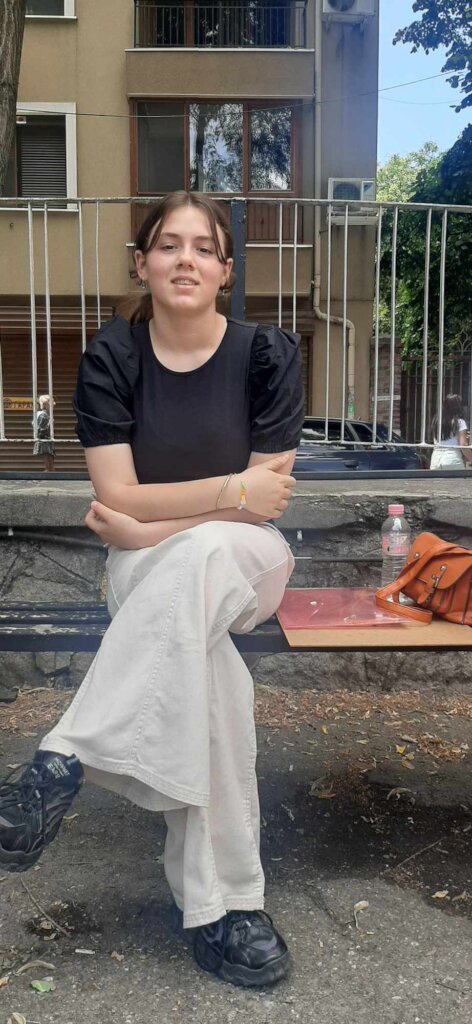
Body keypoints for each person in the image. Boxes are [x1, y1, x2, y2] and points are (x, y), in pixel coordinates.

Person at [0, 192, 304, 988]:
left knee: (202, 552)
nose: (185, 260)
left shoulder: (267, 355)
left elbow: (263, 505)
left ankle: (66, 756)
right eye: (169, 245)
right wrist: (223, 493)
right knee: (213, 678)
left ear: (226, 270)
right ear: (142, 263)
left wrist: (148, 524)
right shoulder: (113, 357)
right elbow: (118, 494)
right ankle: (226, 909)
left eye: (203, 247)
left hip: (245, 563)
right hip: (149, 572)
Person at [430, 394, 472, 469]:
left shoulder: (436, 422)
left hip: (435, 459)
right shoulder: (460, 422)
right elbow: (463, 445)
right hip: (452, 459)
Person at [33, 394, 56, 472]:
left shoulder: (45, 414)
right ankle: (49, 469)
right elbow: (41, 428)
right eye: (52, 402)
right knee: (47, 454)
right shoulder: (43, 415)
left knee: (49, 454)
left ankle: (50, 469)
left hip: (46, 438)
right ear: (46, 404)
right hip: (45, 438)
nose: (54, 404)